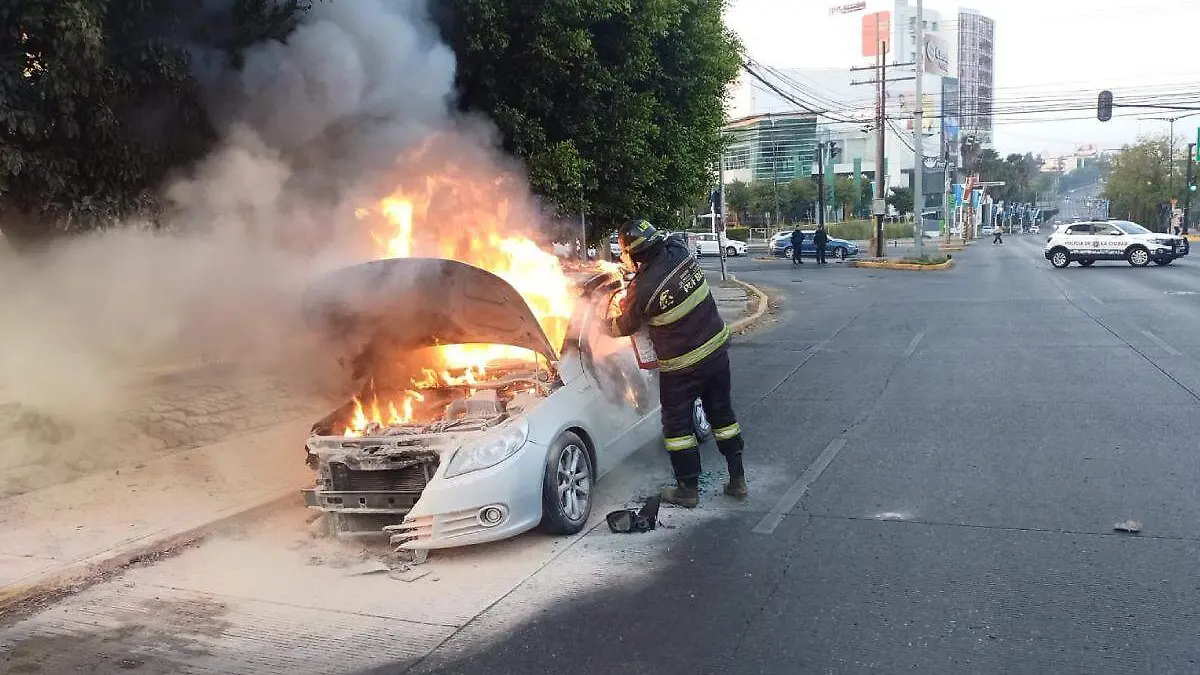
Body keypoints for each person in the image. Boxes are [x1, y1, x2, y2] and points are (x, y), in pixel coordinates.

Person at [606, 219, 747, 508]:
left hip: (682, 366)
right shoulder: (680, 251)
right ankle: (738, 480)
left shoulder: (642, 288)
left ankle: (688, 490)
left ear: (633, 254)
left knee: (677, 427)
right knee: (723, 417)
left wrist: (603, 323)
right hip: (716, 351)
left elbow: (624, 326)